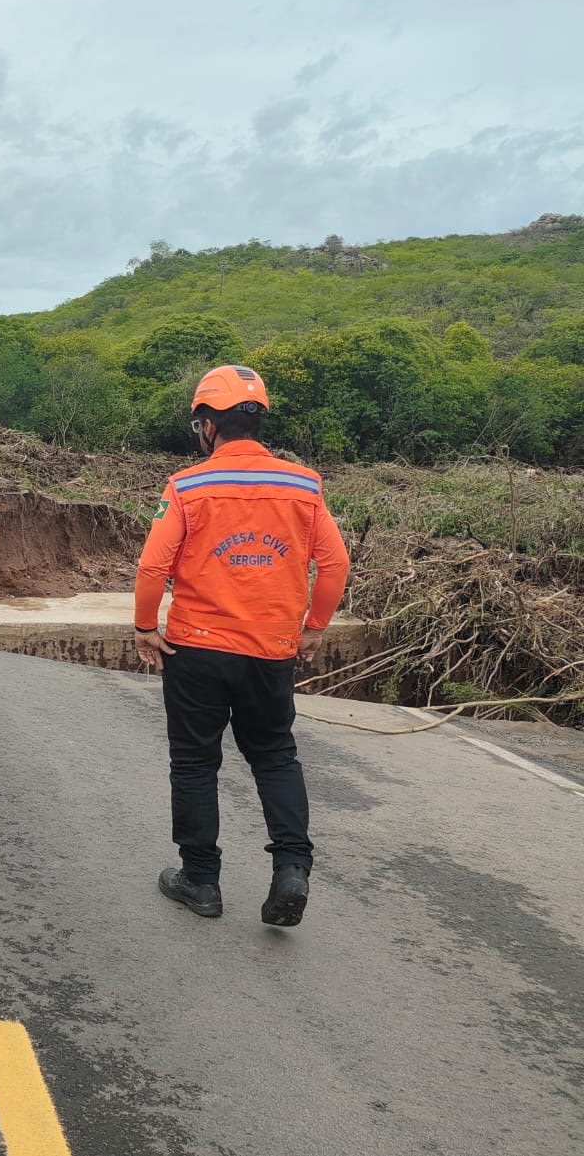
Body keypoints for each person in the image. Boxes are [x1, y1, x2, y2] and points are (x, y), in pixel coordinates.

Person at [134, 364, 350, 927]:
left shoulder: (186, 485)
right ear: (258, 420)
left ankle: (201, 882)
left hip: (195, 651)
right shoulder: (304, 484)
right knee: (275, 756)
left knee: (195, 763)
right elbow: (334, 564)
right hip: (271, 652)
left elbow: (153, 564)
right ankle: (292, 868)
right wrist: (315, 627)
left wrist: (143, 626)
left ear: (207, 424)